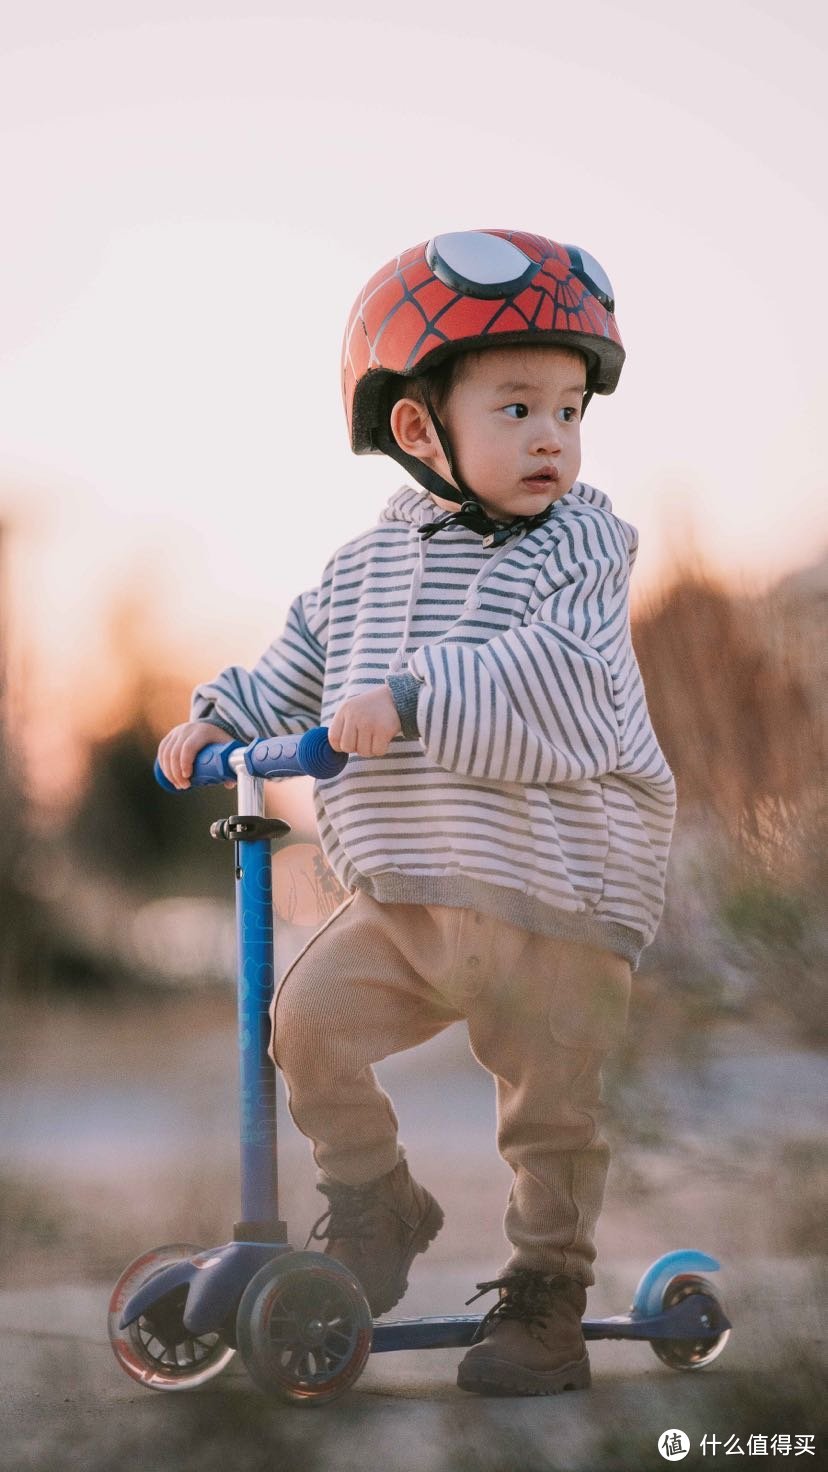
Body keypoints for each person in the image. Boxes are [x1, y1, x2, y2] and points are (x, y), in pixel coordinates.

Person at [157, 229, 676, 1396]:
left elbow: (568, 675)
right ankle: (377, 1198)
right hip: (406, 892)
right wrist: (212, 717)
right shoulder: (361, 568)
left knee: (552, 1112)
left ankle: (546, 1291)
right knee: (305, 1024)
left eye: (571, 407)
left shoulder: (584, 546)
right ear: (416, 428)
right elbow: (292, 665)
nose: (554, 436)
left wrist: (414, 697)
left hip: (557, 895)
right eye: (516, 407)